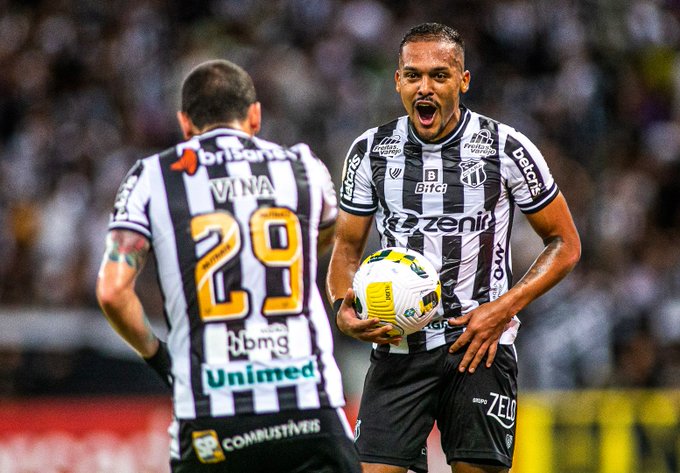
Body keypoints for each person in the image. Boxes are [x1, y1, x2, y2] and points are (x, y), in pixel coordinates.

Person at [327, 23, 581, 473]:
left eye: (439, 75)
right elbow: (346, 249)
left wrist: (503, 308)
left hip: (479, 348)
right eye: (413, 75)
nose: (424, 87)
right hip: (399, 348)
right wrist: (341, 306)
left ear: (463, 81)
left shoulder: (506, 147)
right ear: (397, 81)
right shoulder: (370, 151)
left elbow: (565, 243)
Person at [96, 59, 361, 473]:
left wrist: (159, 357)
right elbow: (328, 235)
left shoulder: (152, 176)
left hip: (211, 413)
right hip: (309, 406)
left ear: (185, 123)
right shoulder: (303, 167)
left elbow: (112, 292)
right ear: (255, 116)